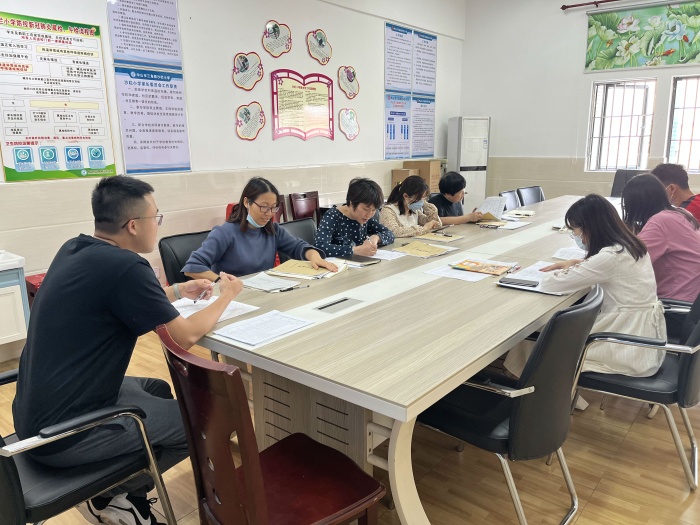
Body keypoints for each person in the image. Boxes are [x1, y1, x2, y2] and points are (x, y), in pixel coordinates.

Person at [12, 176, 244, 525]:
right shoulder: (126, 267)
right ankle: (112, 494)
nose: (158, 224)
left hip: (34, 412)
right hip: (61, 435)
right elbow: (184, 337)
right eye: (156, 217)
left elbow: (123, 298)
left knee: (157, 388)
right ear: (133, 225)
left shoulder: (76, 248)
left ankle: (119, 490)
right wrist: (227, 295)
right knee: (203, 422)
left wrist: (178, 291)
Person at [504, 194, 666, 378]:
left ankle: (526, 388)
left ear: (590, 228)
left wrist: (569, 269)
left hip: (622, 344)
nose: (576, 236)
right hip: (641, 337)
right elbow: (609, 268)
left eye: (575, 230)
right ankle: (529, 384)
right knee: (542, 332)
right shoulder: (630, 245)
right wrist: (579, 264)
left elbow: (551, 284)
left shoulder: (610, 257)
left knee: (532, 336)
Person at [183, 177, 337, 280]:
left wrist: (314, 257)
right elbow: (192, 267)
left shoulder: (272, 230)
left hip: (264, 293)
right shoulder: (225, 232)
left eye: (273, 208)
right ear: (246, 202)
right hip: (234, 296)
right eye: (264, 207)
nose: (269, 214)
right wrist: (220, 281)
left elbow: (299, 247)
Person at [622, 173, 700, 302]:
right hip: (692, 296)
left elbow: (630, 261)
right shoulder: (681, 213)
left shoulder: (660, 221)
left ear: (636, 204)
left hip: (677, 300)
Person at [315, 177, 395, 257]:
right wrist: (354, 250)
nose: (369, 215)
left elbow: (390, 234)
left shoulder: (366, 218)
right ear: (352, 203)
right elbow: (320, 246)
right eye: (365, 209)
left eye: (373, 210)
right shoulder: (333, 216)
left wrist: (376, 237)